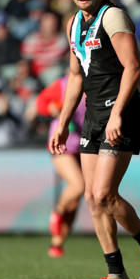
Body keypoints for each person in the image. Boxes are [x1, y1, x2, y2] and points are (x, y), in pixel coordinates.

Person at [48, 0, 140, 279]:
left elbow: (133, 68)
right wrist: (61, 124)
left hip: (122, 113)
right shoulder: (74, 24)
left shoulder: (112, 16)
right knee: (91, 197)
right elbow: (75, 76)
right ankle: (116, 273)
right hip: (92, 116)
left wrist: (116, 114)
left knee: (104, 193)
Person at [36, 75, 86, 258]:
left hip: (86, 144)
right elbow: (41, 103)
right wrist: (51, 108)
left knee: (74, 201)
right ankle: (56, 213)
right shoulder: (64, 83)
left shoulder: (98, 82)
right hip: (62, 144)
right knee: (79, 186)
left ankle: (57, 244)